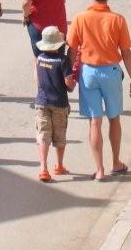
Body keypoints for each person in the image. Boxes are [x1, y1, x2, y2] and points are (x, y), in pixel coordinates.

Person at [67, 0, 131, 181]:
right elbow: (126, 52)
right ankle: (116, 162)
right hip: (111, 72)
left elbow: (71, 49)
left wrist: (72, 74)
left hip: (88, 72)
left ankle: (99, 170)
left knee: (94, 122)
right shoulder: (117, 20)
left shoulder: (80, 18)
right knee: (114, 118)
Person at [33, 26, 75, 182]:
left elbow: (37, 79)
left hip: (42, 101)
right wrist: (72, 84)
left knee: (43, 134)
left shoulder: (39, 59)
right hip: (59, 102)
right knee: (59, 135)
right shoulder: (62, 61)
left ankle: (43, 168)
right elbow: (68, 83)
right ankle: (59, 165)